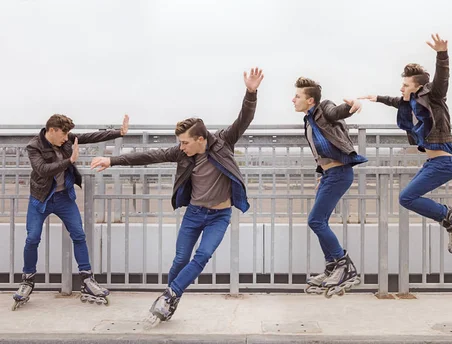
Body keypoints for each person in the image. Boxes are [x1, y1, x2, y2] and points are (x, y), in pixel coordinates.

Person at [90, 68, 263, 323]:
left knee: (202, 256)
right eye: (180, 143)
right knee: (181, 258)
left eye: (185, 142)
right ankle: (171, 299)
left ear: (201, 139)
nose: (181, 147)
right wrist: (112, 160)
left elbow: (244, 119)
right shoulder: (183, 153)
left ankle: (169, 296)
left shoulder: (224, 142)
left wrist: (251, 92)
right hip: (194, 213)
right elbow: (149, 156)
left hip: (219, 215)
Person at [360, 34, 452, 258]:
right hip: (433, 162)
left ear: (418, 87)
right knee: (406, 198)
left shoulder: (433, 97)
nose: (401, 88)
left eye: (405, 85)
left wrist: (442, 55)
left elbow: (442, 80)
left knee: (406, 198)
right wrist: (376, 97)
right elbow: (396, 100)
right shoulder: (411, 102)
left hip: (444, 162)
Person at [13, 114, 129, 311]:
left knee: (79, 235)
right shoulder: (34, 146)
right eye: (63, 134)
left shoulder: (66, 138)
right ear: (52, 130)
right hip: (41, 199)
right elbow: (42, 169)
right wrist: (71, 160)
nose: (66, 138)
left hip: (64, 197)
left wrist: (119, 132)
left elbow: (90, 137)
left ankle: (87, 280)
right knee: (32, 238)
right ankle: (28, 280)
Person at [292, 76, 367, 298]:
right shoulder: (309, 119)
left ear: (311, 100)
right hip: (330, 174)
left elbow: (337, 112)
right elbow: (323, 150)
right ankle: (332, 267)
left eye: (297, 96)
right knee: (319, 220)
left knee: (315, 220)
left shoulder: (324, 108)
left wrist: (351, 106)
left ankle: (343, 265)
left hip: (340, 173)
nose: (293, 99)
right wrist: (322, 174)